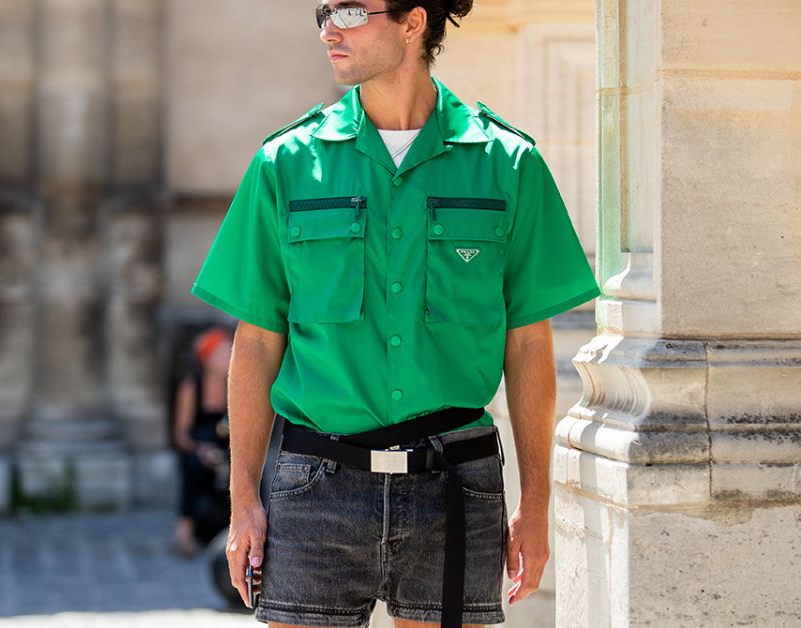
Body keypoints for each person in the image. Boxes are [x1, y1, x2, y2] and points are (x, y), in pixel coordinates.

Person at [191, 1, 599, 626]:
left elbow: (528, 346)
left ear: (413, 22)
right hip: (317, 483)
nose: (330, 27)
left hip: (455, 483)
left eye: (352, 10)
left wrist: (535, 504)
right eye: (324, 10)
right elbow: (257, 342)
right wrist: (242, 498)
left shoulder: (507, 164)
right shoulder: (287, 163)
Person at [171, 327, 233, 557]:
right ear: (208, 358)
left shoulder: (234, 384)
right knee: (193, 468)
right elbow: (181, 435)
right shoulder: (192, 386)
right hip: (198, 449)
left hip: (226, 448)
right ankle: (183, 533)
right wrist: (200, 449)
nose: (229, 357)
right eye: (223, 353)